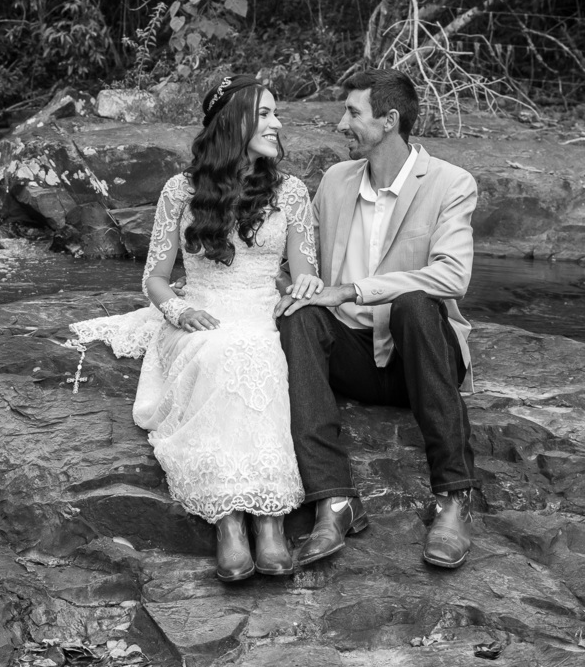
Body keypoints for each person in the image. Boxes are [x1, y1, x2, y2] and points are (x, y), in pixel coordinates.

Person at [70, 75, 324, 581]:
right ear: (235, 123)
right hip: (201, 311)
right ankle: (229, 519)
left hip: (262, 312)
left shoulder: (292, 192)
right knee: (220, 352)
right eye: (267, 114)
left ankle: (270, 518)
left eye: (277, 114)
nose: (278, 124)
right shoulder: (180, 191)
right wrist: (178, 313)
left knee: (263, 354)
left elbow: (306, 273)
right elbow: (156, 280)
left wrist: (302, 290)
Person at [273, 68, 481, 569]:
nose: (341, 123)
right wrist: (296, 285)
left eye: (352, 113)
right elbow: (296, 263)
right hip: (353, 358)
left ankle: (453, 500)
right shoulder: (335, 181)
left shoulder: (451, 184)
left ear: (389, 121)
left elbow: (452, 277)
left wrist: (351, 290)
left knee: (413, 302)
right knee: (299, 315)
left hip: (420, 357)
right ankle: (334, 500)